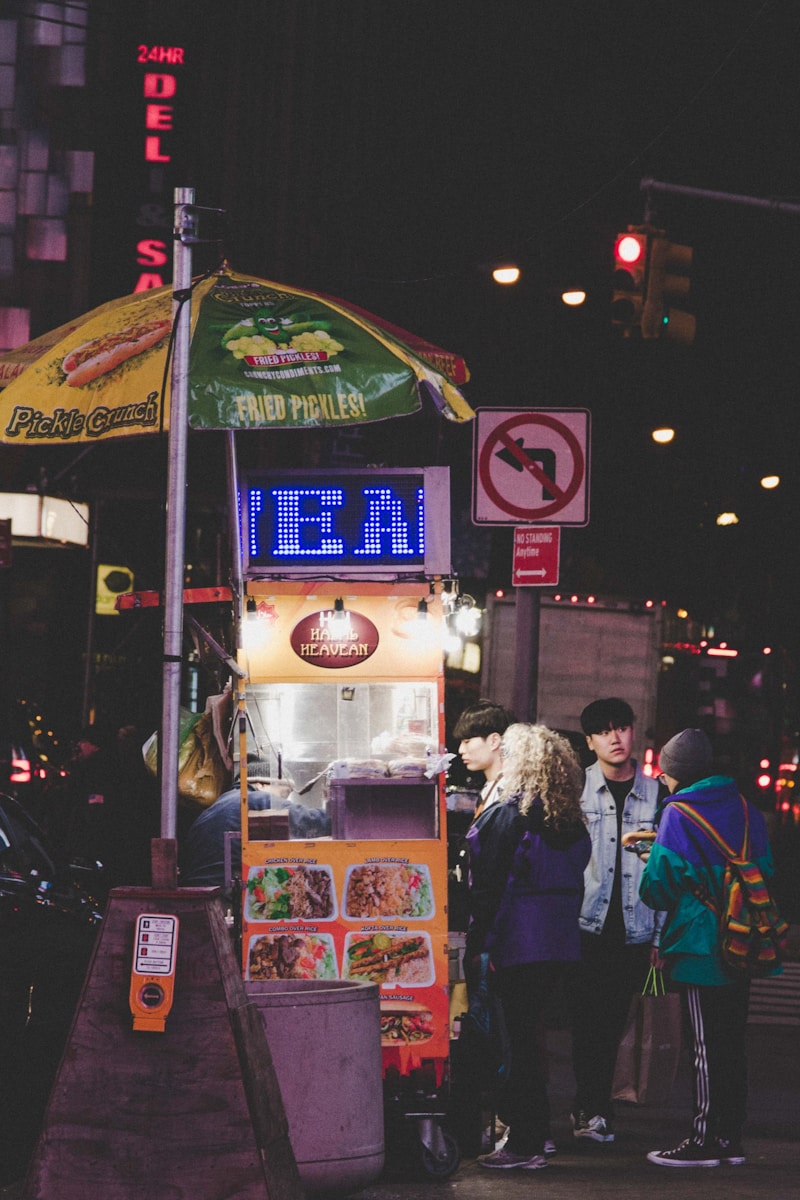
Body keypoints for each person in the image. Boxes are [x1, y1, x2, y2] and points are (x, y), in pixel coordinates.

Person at [638, 727, 776, 1168]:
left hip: (700, 944)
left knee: (704, 1046)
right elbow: (766, 870)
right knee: (731, 1043)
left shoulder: (679, 813)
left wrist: (651, 863)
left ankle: (705, 1140)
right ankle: (730, 1138)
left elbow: (658, 889)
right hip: (743, 939)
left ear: (675, 772)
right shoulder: (747, 809)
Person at [467, 723, 591, 1171]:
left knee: (516, 1045)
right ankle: (536, 1135)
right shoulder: (570, 821)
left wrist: (480, 942)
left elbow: (490, 887)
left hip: (517, 940)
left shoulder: (509, 816)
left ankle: (526, 1142)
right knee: (530, 1041)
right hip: (559, 940)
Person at [570, 697, 666, 1144]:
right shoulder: (576, 789)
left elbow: (664, 872)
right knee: (584, 1021)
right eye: (604, 731)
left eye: (622, 728)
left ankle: (594, 1106)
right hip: (584, 925)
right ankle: (590, 1106)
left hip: (635, 928)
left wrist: (659, 937)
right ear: (590, 741)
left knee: (612, 1022)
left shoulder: (658, 795)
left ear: (633, 732)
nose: (616, 738)